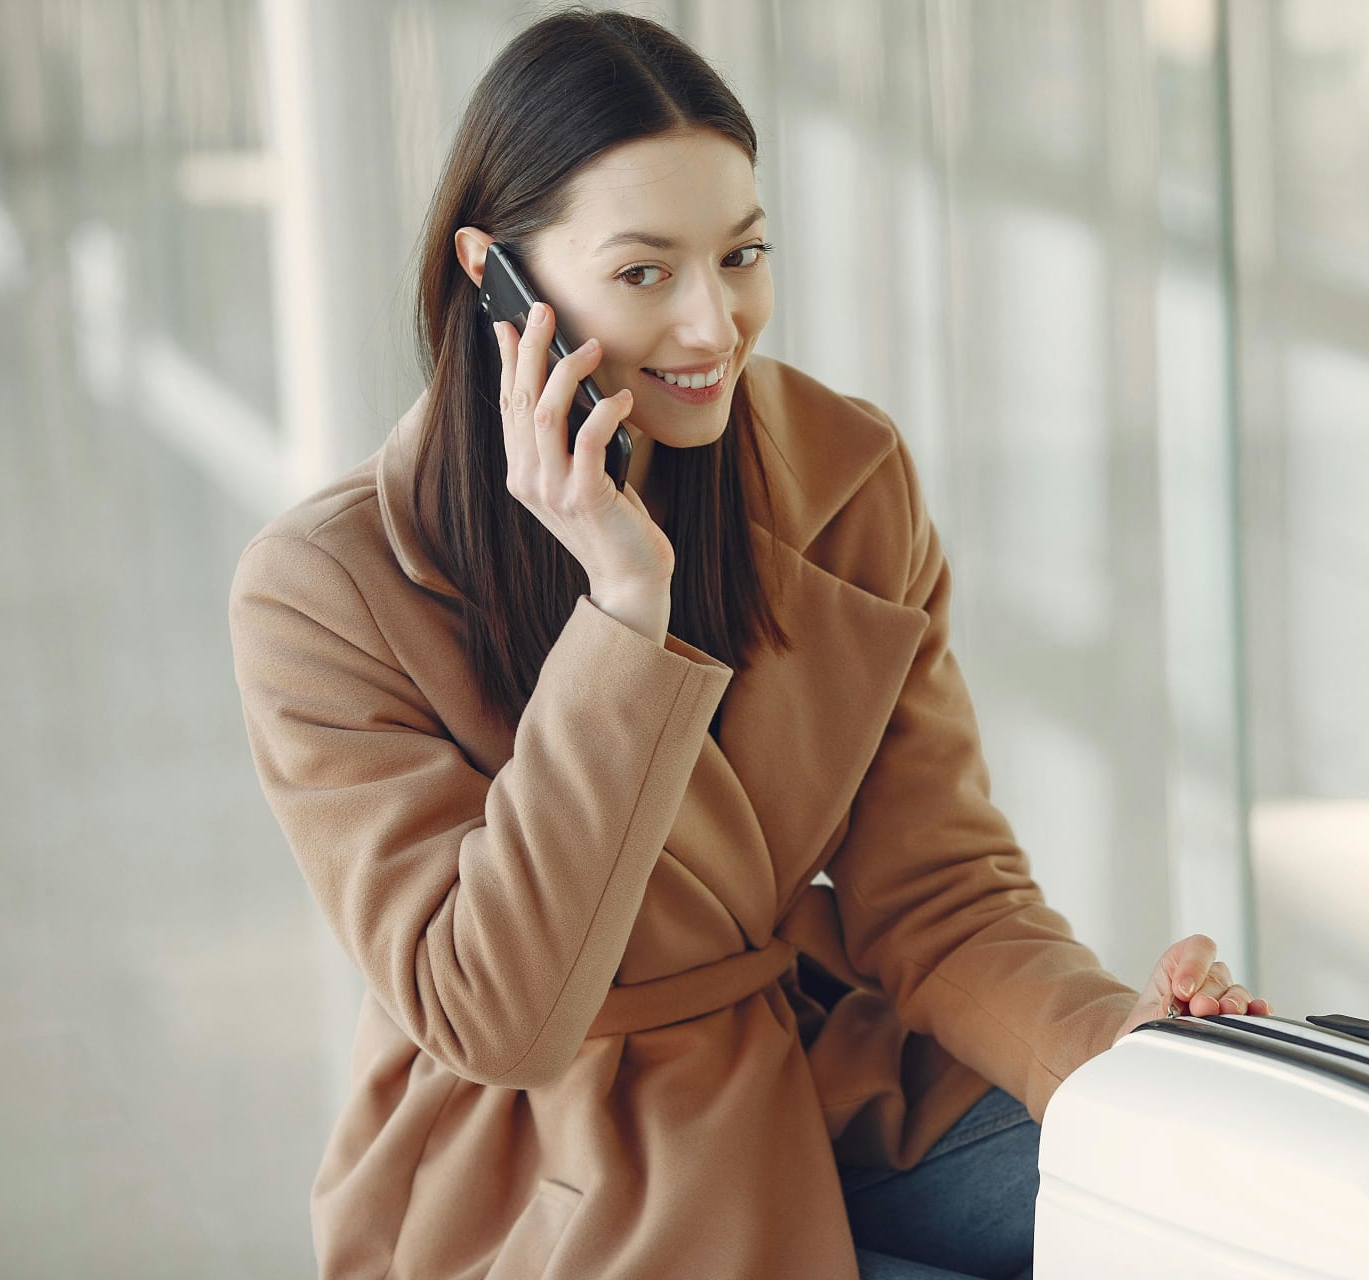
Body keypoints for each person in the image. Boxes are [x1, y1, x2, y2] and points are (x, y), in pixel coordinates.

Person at [226, 9, 1269, 1278]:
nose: (716, 327)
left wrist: (1131, 1052)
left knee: (1252, 1210)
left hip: (832, 1079)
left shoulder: (845, 473)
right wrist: (621, 602)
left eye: (744, 254)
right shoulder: (322, 591)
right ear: (494, 277)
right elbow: (497, 1014)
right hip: (548, 1168)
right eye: (644, 272)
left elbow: (935, 897)